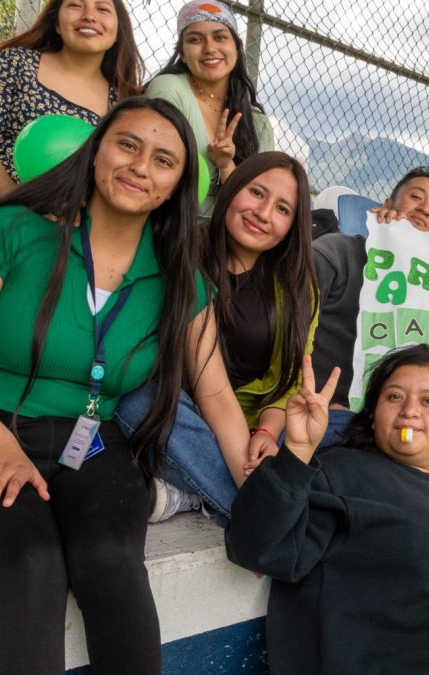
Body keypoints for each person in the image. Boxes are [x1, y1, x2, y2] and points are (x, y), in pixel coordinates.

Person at [0, 97, 233, 674]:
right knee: (31, 564)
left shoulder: (180, 277)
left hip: (92, 442)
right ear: (97, 150)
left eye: (164, 160)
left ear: (177, 184)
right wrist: (0, 449)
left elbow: (215, 396)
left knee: (112, 561)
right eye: (128, 145)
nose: (140, 167)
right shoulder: (10, 229)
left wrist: (253, 484)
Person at [226, 346, 429, 675]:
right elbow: (254, 547)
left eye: (428, 401)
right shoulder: (340, 474)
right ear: (374, 414)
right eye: (393, 397)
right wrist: (297, 451)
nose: (409, 411)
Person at [115, 151, 318, 523]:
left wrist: (267, 433)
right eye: (256, 193)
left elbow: (287, 383)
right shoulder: (179, 248)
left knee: (326, 427)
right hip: (179, 413)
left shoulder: (297, 286)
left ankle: (192, 492)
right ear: (233, 187)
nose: (263, 212)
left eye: (283, 209)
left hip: (251, 420)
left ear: (293, 224)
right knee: (136, 401)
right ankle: (261, 520)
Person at [0, 0, 143, 268]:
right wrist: (19, 200)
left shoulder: (121, 102)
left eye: (102, 9)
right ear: (57, 22)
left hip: (63, 215)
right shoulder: (16, 64)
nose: (89, 16)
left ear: (118, 29)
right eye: (75, 5)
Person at [311, 167, 429, 447]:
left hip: (399, 430)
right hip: (326, 415)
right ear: (387, 206)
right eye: (416, 197)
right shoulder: (339, 251)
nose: (424, 209)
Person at [148, 0, 275, 217]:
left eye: (220, 37)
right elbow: (156, 172)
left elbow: (260, 202)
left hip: (230, 233)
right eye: (195, 39)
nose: (209, 48)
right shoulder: (169, 89)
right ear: (182, 53)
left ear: (237, 48)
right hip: (170, 224)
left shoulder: (257, 123)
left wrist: (226, 166)